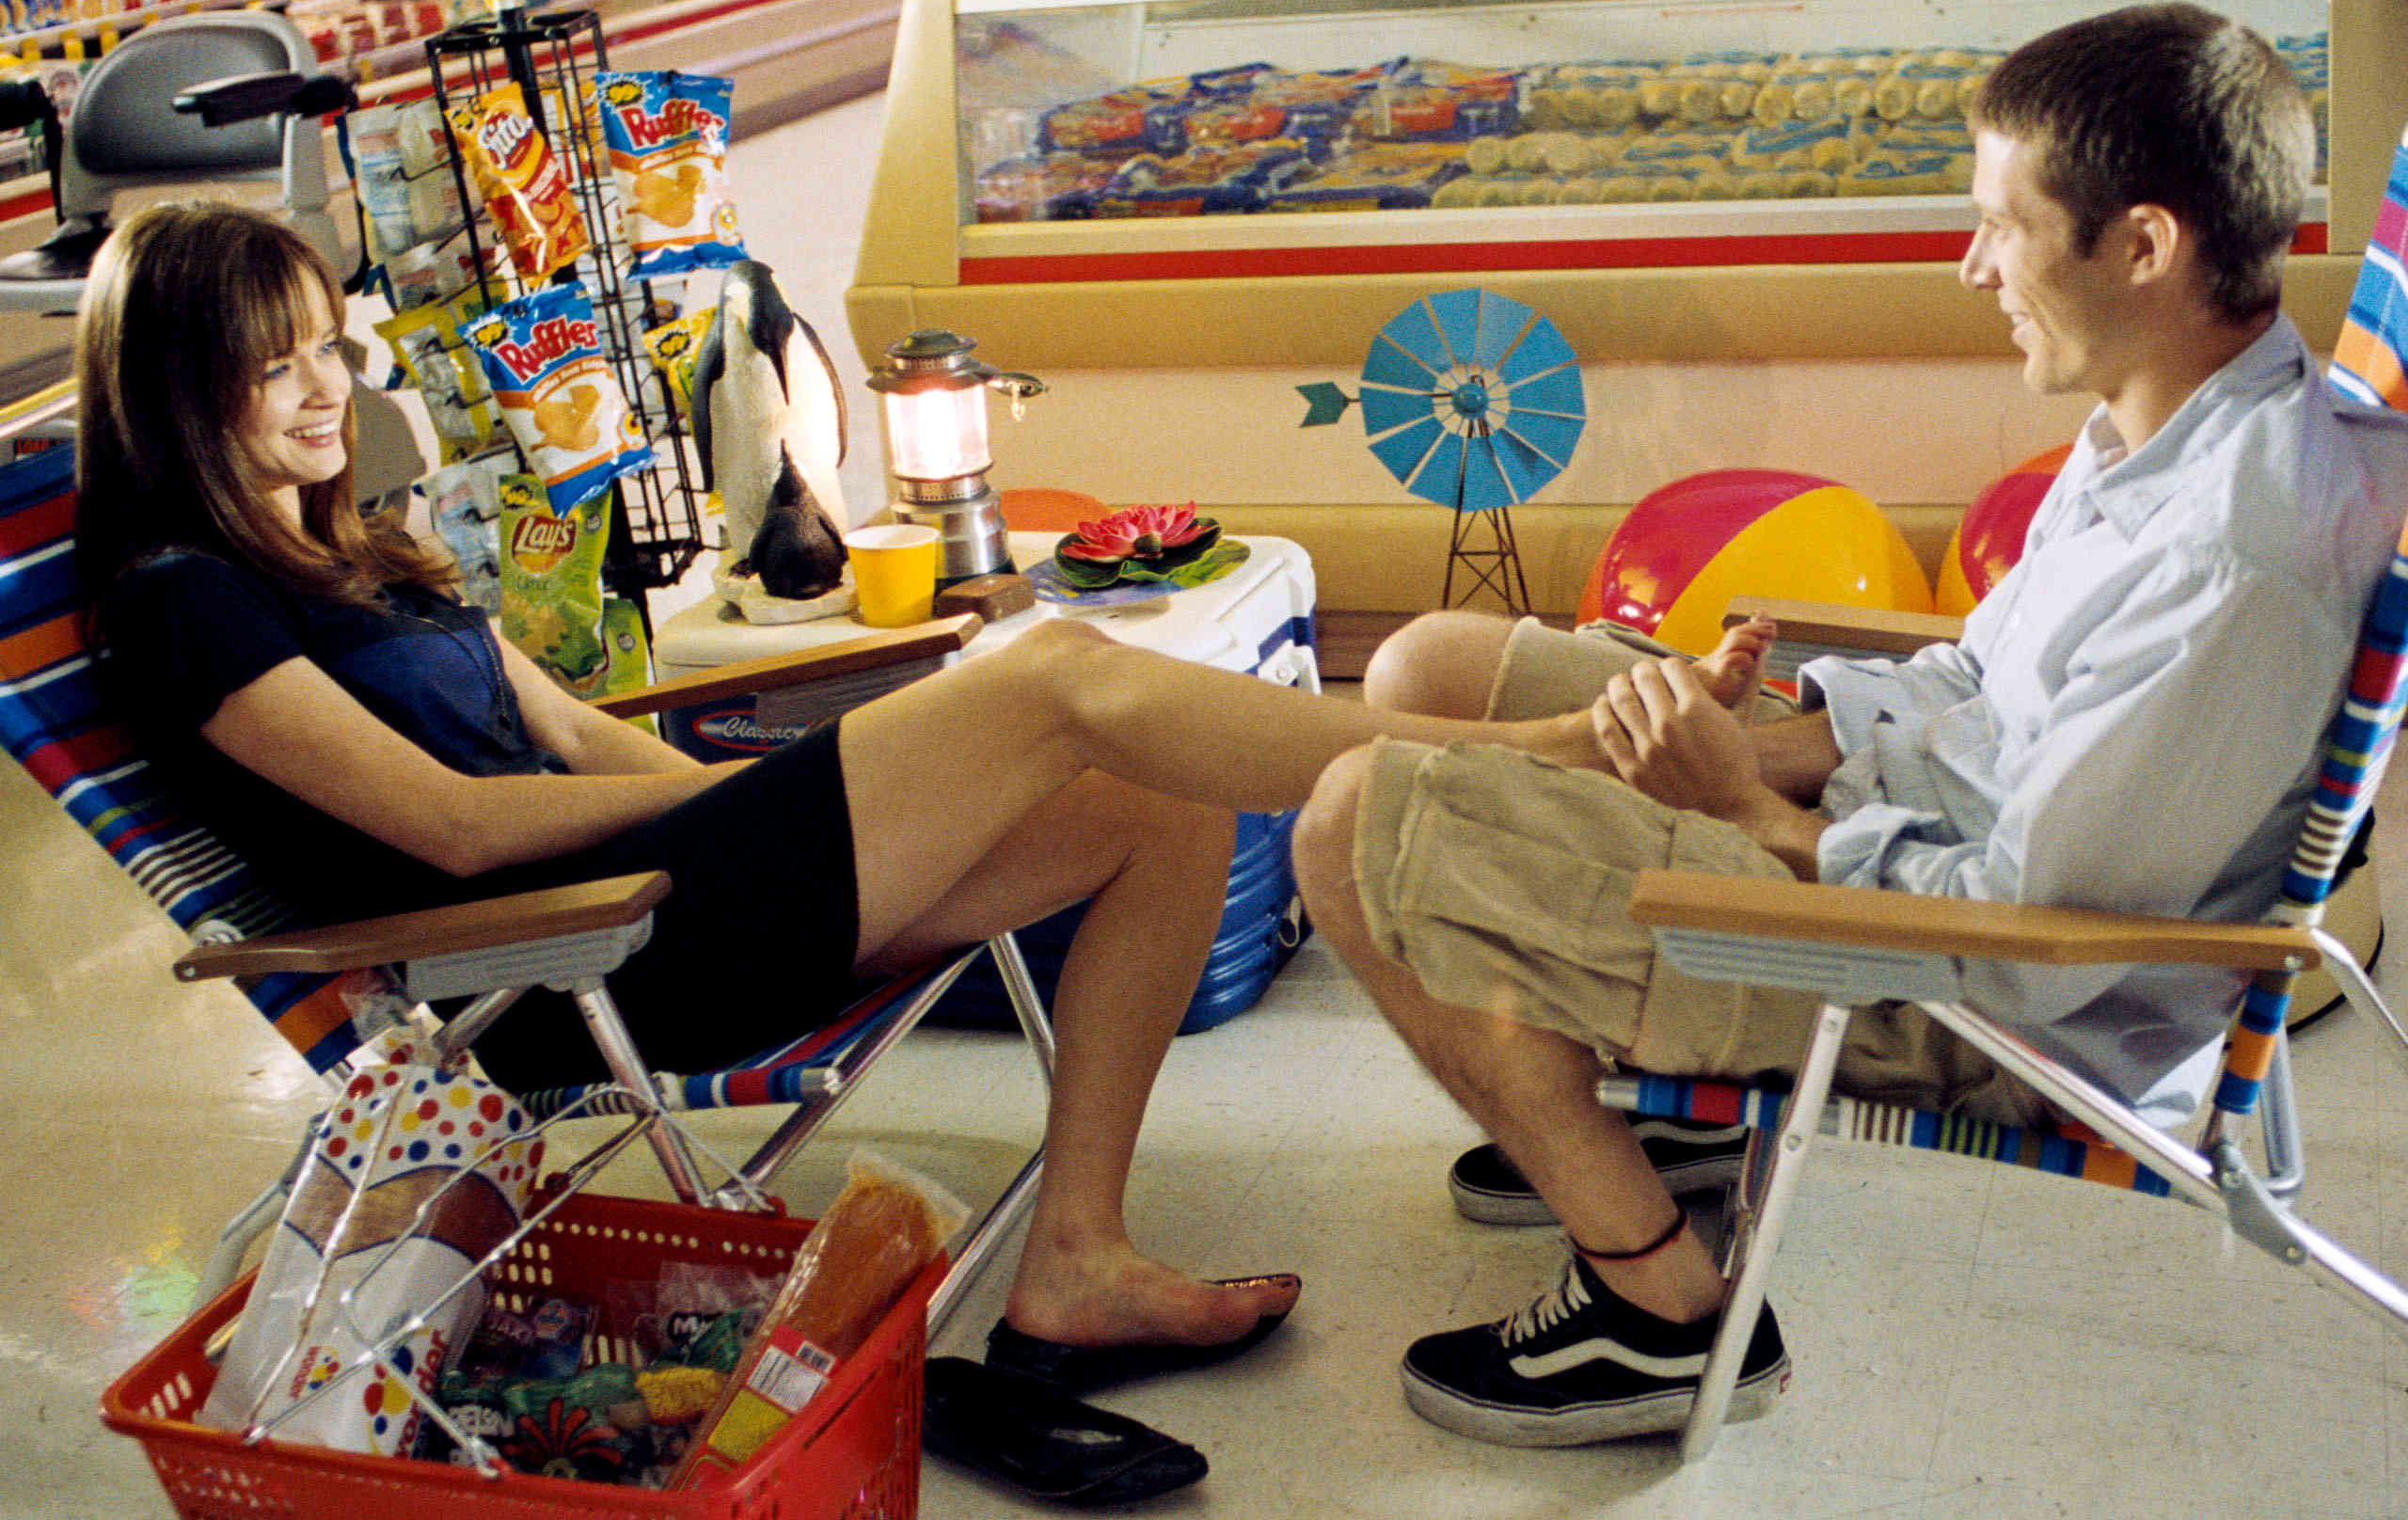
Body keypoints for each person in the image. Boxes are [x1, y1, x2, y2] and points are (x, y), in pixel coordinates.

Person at [71, 198, 1608, 1393]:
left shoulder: (362, 556)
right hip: (561, 955)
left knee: (1154, 797)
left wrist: (742, 798)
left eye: (329, 348)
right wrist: (773, 794)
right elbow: (453, 830)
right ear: (178, 392)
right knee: (1058, 667)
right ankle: (1547, 765)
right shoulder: (183, 599)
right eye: (271, 367)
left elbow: (583, 740)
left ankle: (1074, 1260)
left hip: (663, 889)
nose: (323, 389)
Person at [1289, 2, 2408, 1449]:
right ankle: (1676, 1111)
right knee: (1433, 670)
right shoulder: (2174, 421)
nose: (1972, 269)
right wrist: (1785, 730)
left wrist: (1756, 818)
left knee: (1349, 825)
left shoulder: (2230, 559)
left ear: (2144, 247)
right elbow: (1989, 694)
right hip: (1934, 874)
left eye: (2004, 228)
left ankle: (1656, 1311)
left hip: (1979, 1003)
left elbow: (2037, 927)